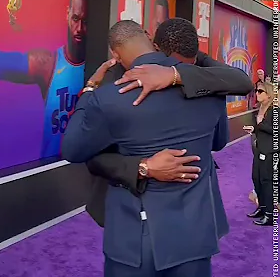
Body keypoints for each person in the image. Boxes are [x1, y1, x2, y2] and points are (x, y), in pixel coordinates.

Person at [62, 20, 228, 277]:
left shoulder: (109, 97)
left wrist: (89, 89)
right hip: (195, 232)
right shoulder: (208, 86)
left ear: (115, 54)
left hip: (134, 237)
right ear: (150, 39)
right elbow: (219, 141)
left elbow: (73, 149)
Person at [82, 18, 253, 228]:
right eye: (175, 64)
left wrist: (176, 75)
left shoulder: (196, 72)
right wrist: (144, 167)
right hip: (129, 203)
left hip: (189, 205)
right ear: (155, 49)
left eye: (186, 66)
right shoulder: (119, 78)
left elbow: (242, 83)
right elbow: (92, 152)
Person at [0, 0, 89, 159]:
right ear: (67, 14)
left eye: (85, 22)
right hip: (51, 171)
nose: (79, 28)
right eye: (75, 18)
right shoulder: (49, 63)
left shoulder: (101, 68)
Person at [243, 79, 280, 226]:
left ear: (268, 94)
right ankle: (262, 208)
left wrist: (259, 125)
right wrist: (254, 129)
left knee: (266, 181)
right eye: (256, 91)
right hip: (259, 150)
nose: (256, 94)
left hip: (270, 151)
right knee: (256, 178)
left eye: (260, 91)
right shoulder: (261, 109)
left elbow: (276, 131)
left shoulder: (275, 111)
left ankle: (270, 216)